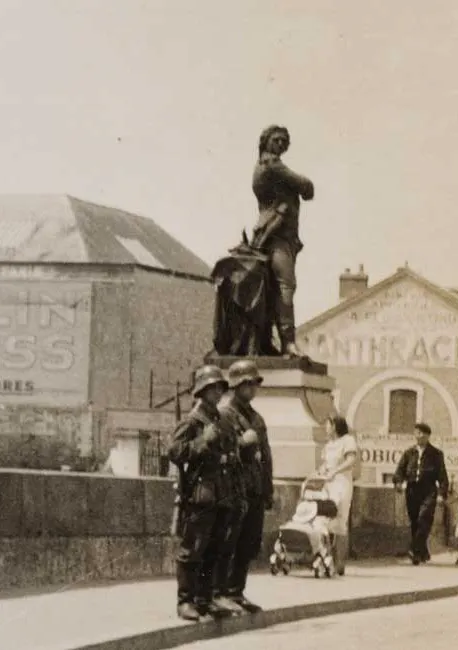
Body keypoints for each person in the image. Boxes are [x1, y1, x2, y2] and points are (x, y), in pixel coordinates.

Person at [167, 365, 240, 622]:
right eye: (213, 388)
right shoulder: (192, 421)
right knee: (192, 549)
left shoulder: (221, 420)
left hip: (221, 493)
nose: (218, 392)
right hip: (200, 494)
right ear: (202, 390)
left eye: (220, 388)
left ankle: (204, 599)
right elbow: (175, 451)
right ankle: (185, 601)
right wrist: (203, 441)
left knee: (213, 548)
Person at [250, 125, 315, 358]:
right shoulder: (271, 164)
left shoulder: (271, 166)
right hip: (274, 235)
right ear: (265, 141)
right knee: (285, 286)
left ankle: (267, 341)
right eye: (276, 140)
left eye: (283, 141)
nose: (280, 144)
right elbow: (307, 188)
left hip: (280, 236)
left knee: (272, 290)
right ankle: (288, 342)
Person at [216, 360, 274, 614]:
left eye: (254, 383)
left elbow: (267, 457)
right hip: (233, 487)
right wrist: (242, 443)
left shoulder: (256, 418)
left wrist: (267, 489)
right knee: (228, 542)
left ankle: (236, 591)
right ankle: (221, 592)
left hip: (254, 488)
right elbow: (220, 449)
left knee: (248, 543)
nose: (252, 388)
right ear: (236, 385)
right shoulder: (225, 414)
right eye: (247, 384)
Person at [392, 423, 449, 565]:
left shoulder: (436, 454)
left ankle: (413, 549)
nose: (420, 436)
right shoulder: (408, 453)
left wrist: (441, 494)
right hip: (412, 490)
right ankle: (420, 553)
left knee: (424, 518)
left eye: (424, 433)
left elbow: (442, 476)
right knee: (415, 521)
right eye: (418, 433)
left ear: (428, 436)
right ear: (414, 434)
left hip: (428, 490)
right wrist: (398, 482)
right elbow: (400, 471)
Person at [315, 415, 359, 576]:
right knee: (323, 519)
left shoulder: (347, 440)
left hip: (342, 482)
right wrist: (320, 471)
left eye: (328, 424)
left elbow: (351, 461)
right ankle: (326, 557)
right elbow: (326, 464)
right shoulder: (328, 445)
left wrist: (336, 471)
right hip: (329, 483)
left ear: (334, 426)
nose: (326, 428)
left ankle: (340, 563)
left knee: (340, 521)